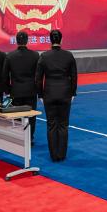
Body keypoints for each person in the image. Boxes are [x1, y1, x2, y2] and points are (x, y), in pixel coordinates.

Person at [36, 30, 78, 162]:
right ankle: (62, 154)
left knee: (51, 125)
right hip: (65, 93)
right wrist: (73, 92)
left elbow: (38, 78)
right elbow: (74, 76)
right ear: (61, 40)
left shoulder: (44, 56)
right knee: (63, 125)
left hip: (49, 93)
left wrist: (40, 94)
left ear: (50, 40)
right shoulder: (68, 55)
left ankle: (54, 155)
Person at [3, 31, 40, 144]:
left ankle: (19, 138)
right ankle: (30, 138)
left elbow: (4, 75)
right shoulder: (35, 55)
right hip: (31, 91)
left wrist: (7, 90)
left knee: (17, 115)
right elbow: (38, 75)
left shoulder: (10, 56)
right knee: (31, 115)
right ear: (27, 41)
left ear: (16, 41)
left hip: (16, 91)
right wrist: (37, 90)